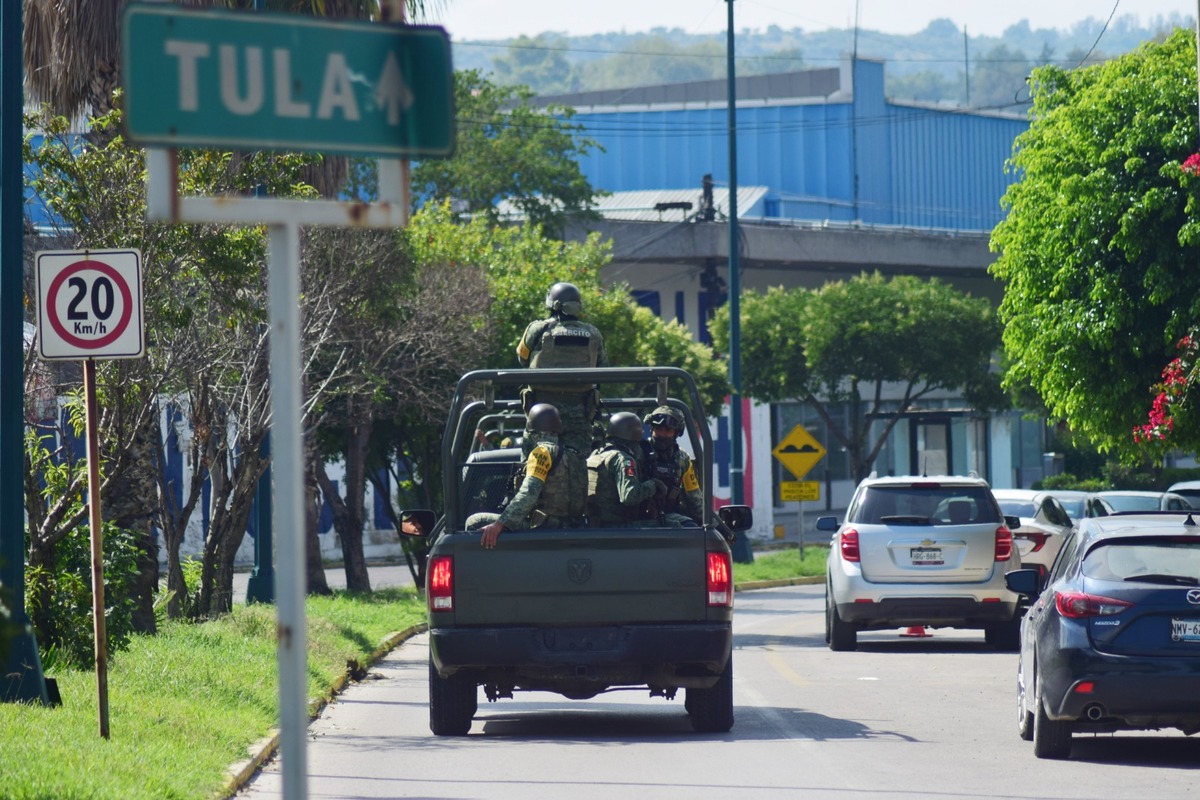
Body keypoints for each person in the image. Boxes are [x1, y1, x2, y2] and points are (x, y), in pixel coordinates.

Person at [466, 404, 588, 549]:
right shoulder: (572, 454)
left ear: (531, 431)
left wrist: (499, 524)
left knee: (474, 521)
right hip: (571, 527)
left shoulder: (541, 452)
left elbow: (528, 493)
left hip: (542, 528)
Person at [516, 281, 609, 454]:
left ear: (552, 304)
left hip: (541, 412)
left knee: (533, 463)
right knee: (580, 464)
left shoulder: (538, 329)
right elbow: (602, 367)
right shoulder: (593, 333)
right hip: (580, 413)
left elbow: (522, 358)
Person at [587, 411, 668, 527]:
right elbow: (629, 496)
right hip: (618, 528)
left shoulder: (596, 454)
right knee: (676, 526)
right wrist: (653, 485)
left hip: (593, 525)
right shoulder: (623, 459)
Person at [642, 405, 704, 526]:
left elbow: (694, 498)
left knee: (691, 528)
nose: (662, 434)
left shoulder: (682, 458)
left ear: (676, 433)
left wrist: (713, 525)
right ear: (652, 429)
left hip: (669, 515)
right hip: (638, 518)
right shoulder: (639, 452)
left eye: (668, 430)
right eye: (658, 429)